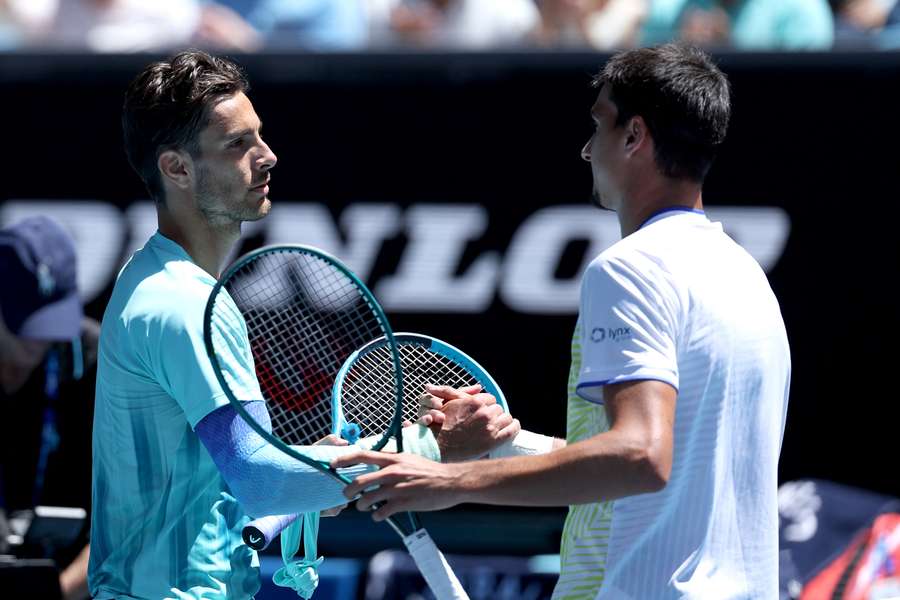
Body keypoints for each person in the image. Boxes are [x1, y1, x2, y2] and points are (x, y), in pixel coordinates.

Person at [333, 43, 792, 599]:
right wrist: (502, 448)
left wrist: (449, 480)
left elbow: (640, 456)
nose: (585, 149)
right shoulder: (745, 274)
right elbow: (651, 468)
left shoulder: (630, 269)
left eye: (599, 125)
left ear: (633, 136)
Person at [88, 49, 517, 599]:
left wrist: (320, 466)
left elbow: (240, 487)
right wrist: (432, 450)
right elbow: (261, 479)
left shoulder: (155, 279)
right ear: (177, 168)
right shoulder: (181, 305)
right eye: (237, 144)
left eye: (258, 135)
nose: (267, 156)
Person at [0, 216, 100, 600]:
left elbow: (139, 520)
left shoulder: (98, 363)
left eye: (48, 319)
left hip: (73, 583)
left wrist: (53, 594)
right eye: (22, 318)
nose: (37, 337)